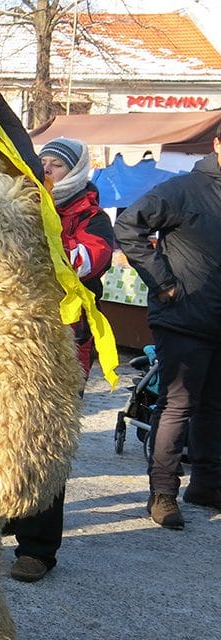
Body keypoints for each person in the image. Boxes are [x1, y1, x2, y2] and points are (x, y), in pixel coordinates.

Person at [6, 137, 115, 582]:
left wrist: (39, 245)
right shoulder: (19, 203)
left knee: (45, 445)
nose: (46, 169)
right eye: (42, 162)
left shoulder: (90, 216)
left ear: (73, 171)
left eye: (55, 164)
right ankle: (9, 512)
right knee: (2, 431)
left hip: (66, 347)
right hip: (12, 339)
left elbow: (90, 260)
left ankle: (37, 548)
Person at [115, 124, 221, 530]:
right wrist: (164, 284)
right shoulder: (183, 189)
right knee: (178, 405)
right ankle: (163, 493)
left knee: (214, 406)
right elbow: (128, 227)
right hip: (184, 317)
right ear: (215, 144)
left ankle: (206, 483)